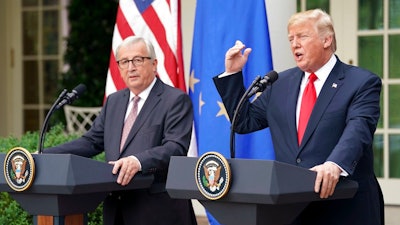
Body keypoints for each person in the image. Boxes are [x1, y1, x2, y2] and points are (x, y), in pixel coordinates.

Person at [213, 9, 384, 225]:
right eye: (291, 38)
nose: (295, 44)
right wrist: (233, 74)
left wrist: (334, 164)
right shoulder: (279, 83)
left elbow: (358, 130)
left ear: (326, 39)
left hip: (345, 205)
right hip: (293, 208)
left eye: (302, 36)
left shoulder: (360, 82)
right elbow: (243, 121)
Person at [44, 36, 197, 225]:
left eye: (138, 60)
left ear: (154, 64)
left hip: (157, 210)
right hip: (117, 209)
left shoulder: (174, 100)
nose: (131, 67)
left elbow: (175, 147)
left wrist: (137, 161)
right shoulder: (114, 101)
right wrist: (43, 155)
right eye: (124, 62)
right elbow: (91, 142)